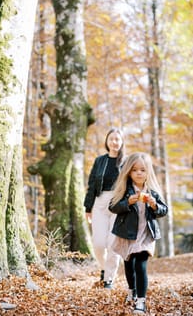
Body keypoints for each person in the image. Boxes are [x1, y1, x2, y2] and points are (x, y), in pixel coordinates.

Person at [109, 152, 168, 314]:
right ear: (129, 172)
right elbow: (112, 207)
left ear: (148, 171)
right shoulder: (125, 189)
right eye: (135, 170)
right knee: (129, 264)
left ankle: (141, 301)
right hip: (127, 235)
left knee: (139, 264)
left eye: (142, 170)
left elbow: (164, 210)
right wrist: (127, 202)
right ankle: (131, 290)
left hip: (146, 235)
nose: (139, 173)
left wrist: (154, 205)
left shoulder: (152, 191)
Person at [84, 127, 126, 289]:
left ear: (121, 142)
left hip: (119, 203)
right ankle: (104, 268)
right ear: (107, 142)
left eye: (117, 139)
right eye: (111, 139)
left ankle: (109, 279)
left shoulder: (126, 161)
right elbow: (92, 185)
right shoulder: (99, 161)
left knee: (113, 244)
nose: (114, 142)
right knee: (99, 243)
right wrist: (88, 207)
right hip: (100, 203)